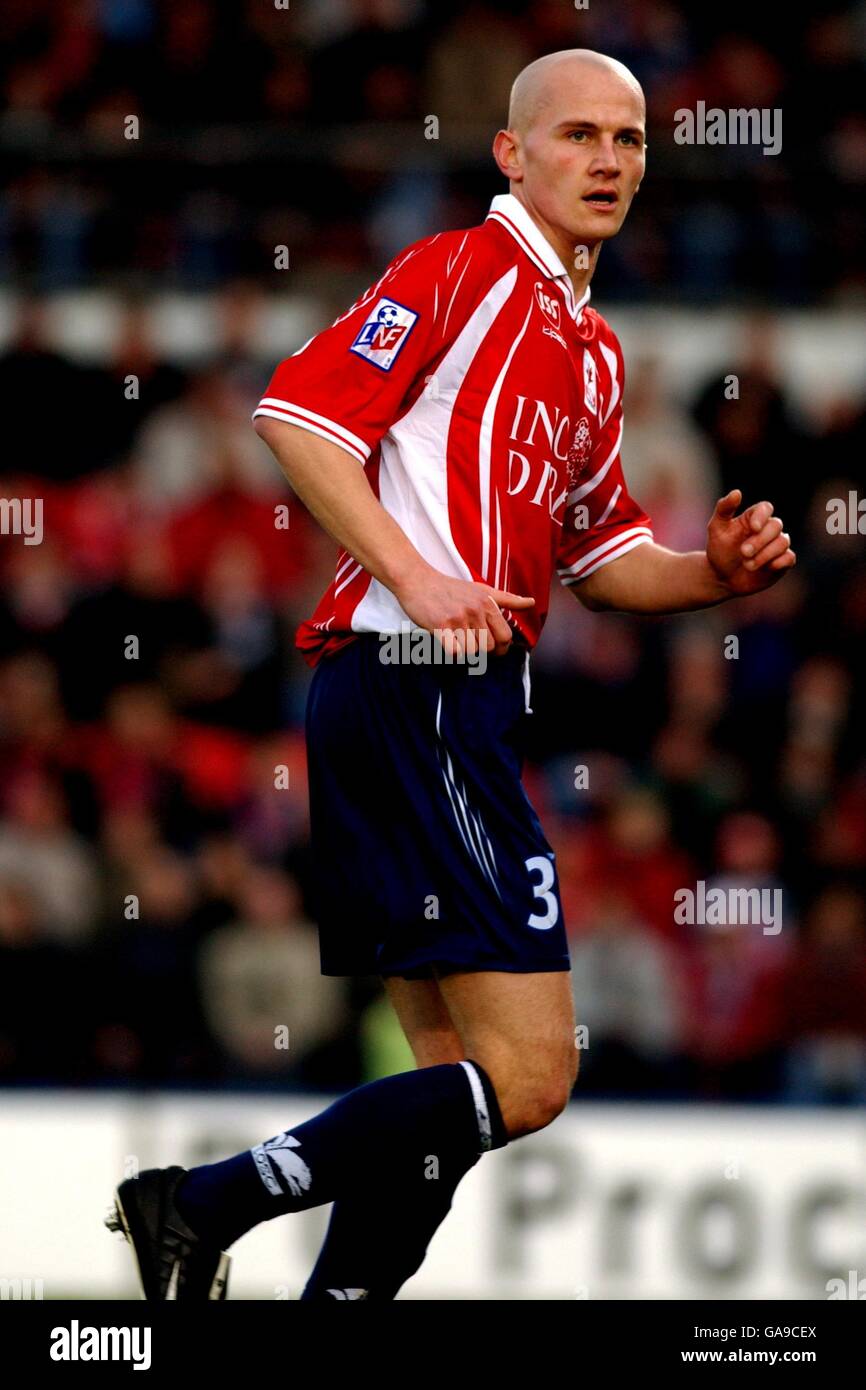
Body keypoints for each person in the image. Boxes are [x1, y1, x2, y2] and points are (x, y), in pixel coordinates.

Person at [107, 48, 796, 1301]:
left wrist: (712, 574)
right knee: (529, 1078)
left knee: (445, 1094)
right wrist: (416, 575)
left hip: (429, 701)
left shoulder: (588, 351)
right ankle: (197, 1201)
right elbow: (300, 420)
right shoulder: (462, 269)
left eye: (627, 141)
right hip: (411, 681)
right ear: (511, 154)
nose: (604, 160)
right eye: (576, 134)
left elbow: (604, 554)